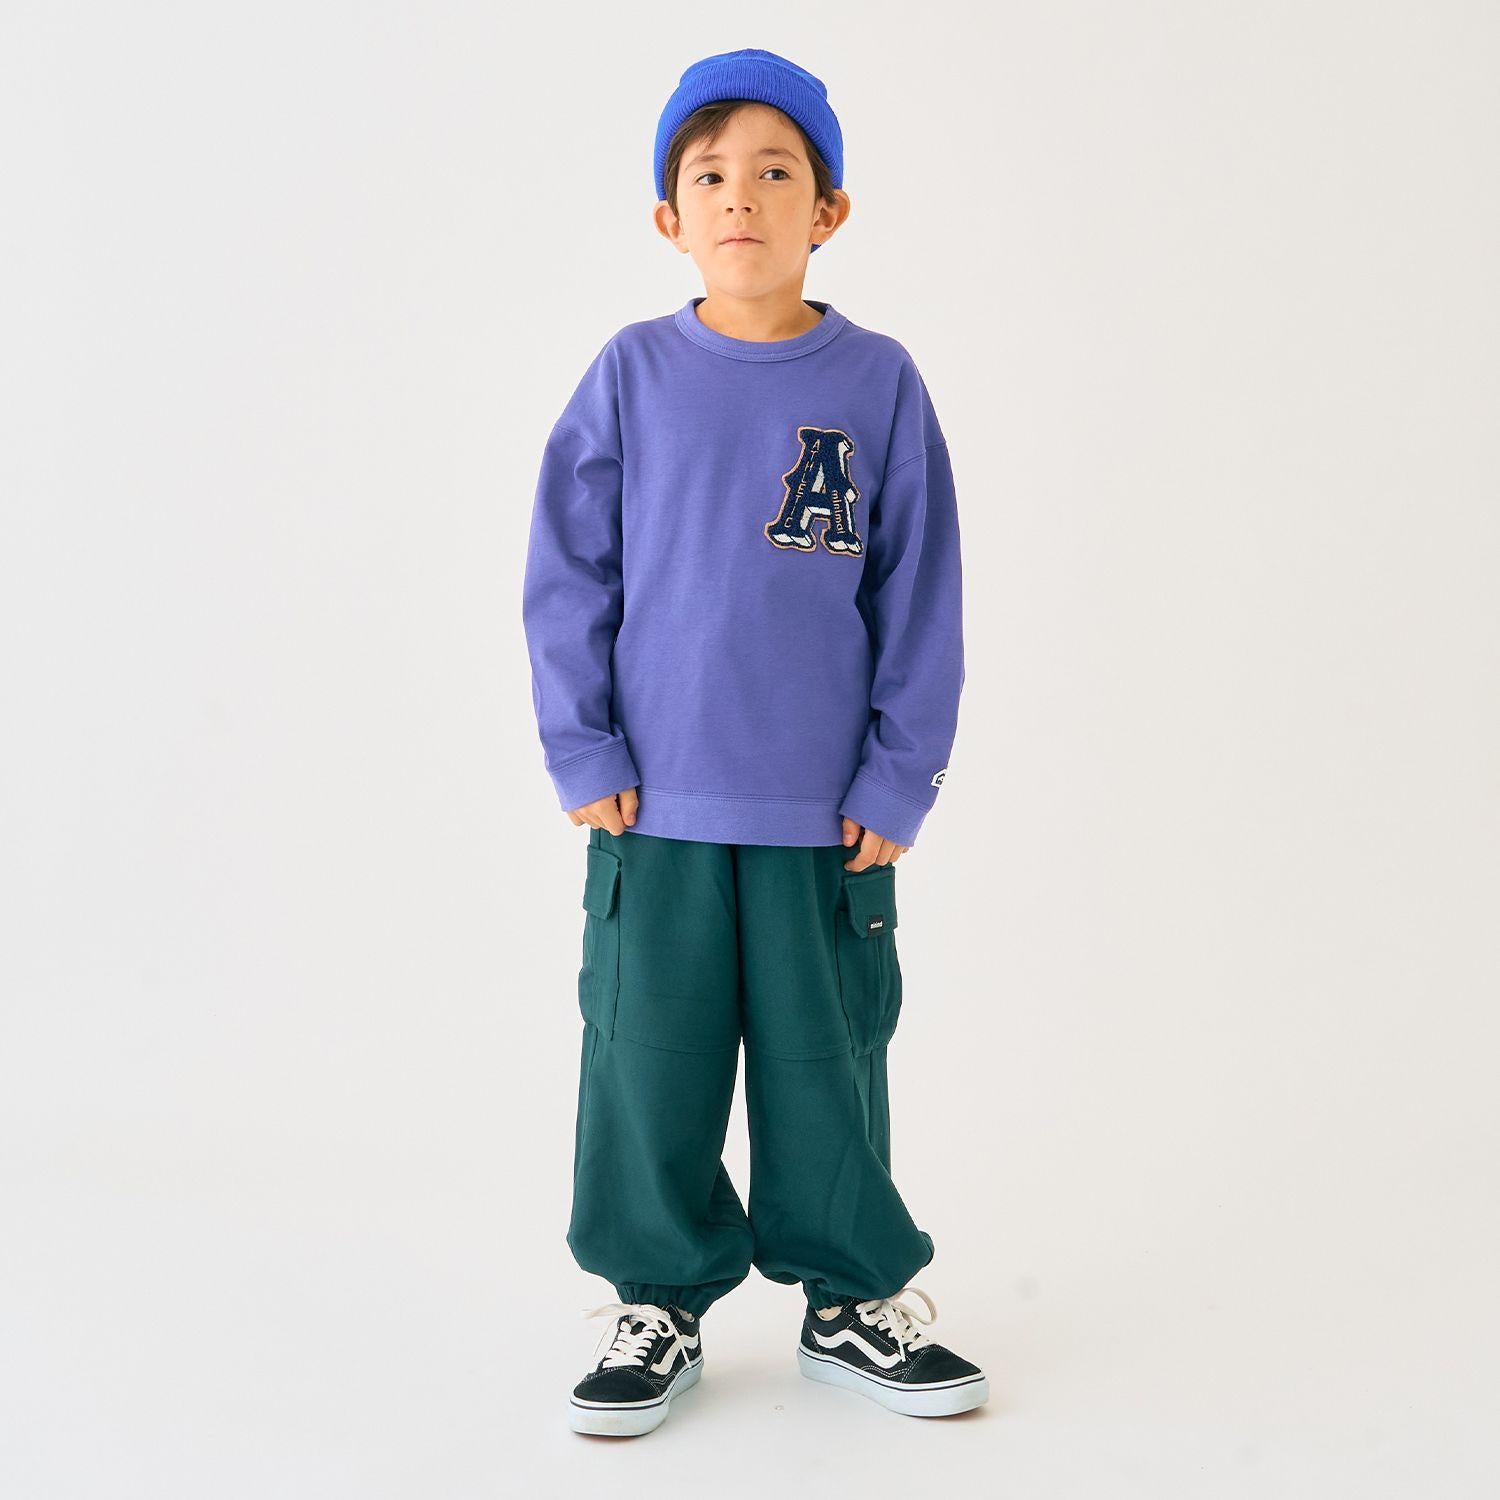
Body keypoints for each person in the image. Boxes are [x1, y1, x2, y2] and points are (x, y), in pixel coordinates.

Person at [521, 47, 986, 1436]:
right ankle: (656, 1300)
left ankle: (848, 1301)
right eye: (710, 174)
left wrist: (898, 773)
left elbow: (922, 592)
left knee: (826, 1064)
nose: (742, 196)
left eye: (776, 172)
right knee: (645, 1064)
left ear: (827, 210)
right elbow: (568, 574)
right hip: (653, 810)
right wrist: (582, 748)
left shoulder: (879, 382)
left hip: (821, 816)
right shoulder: (631, 374)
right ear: (671, 218)